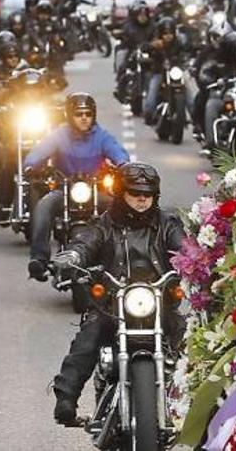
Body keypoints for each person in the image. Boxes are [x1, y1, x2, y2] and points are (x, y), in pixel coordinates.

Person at [50, 162, 185, 425]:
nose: (142, 198)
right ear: (122, 193)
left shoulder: (167, 223)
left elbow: (183, 246)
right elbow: (86, 241)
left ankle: (207, 415)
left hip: (160, 305)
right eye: (135, 192)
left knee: (190, 339)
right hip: (113, 306)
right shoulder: (105, 223)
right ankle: (66, 400)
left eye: (148, 193)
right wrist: (73, 255)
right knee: (88, 337)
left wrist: (198, 258)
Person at [25, 93, 130, 280]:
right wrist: (31, 165)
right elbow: (40, 151)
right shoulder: (58, 135)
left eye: (88, 114)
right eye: (79, 114)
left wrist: (124, 165)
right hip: (63, 190)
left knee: (121, 209)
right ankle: (39, 260)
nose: (84, 118)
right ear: (69, 115)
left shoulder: (102, 136)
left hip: (95, 192)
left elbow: (118, 152)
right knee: (43, 206)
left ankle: (125, 258)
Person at [143, 17, 184, 123]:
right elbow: (144, 47)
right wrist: (152, 46)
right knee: (152, 90)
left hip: (176, 73)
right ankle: (149, 114)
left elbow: (188, 50)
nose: (168, 36)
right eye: (165, 33)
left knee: (188, 94)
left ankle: (195, 118)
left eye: (170, 33)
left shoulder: (179, 43)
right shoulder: (157, 44)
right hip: (159, 72)